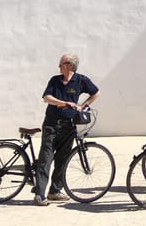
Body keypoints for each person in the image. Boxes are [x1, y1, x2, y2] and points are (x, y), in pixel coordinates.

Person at [34, 53, 100, 206]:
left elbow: (96, 92)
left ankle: (55, 191)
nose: (59, 67)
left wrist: (84, 105)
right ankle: (39, 194)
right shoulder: (55, 80)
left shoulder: (81, 80)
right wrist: (63, 102)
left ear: (70, 65)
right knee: (45, 158)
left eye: (61, 64)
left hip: (69, 126)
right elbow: (46, 98)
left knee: (62, 159)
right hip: (51, 124)